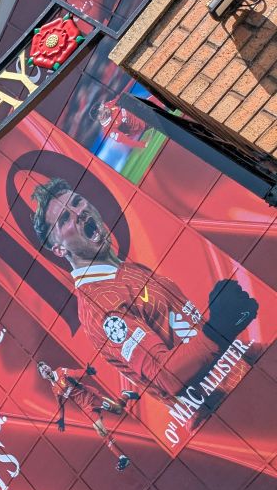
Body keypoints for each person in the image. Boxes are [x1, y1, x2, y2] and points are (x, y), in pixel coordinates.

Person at [30, 177, 257, 426]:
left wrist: (253, 350)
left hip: (246, 381)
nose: (79, 212)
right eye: (64, 219)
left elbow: (193, 332)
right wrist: (220, 327)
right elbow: (166, 376)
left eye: (77, 201)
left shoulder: (124, 270)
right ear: (60, 250)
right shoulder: (101, 308)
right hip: (226, 416)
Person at [37, 361, 135, 471]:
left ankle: (125, 394)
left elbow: (75, 373)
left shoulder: (61, 371)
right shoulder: (54, 389)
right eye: (42, 371)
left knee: (118, 410)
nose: (45, 369)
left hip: (92, 396)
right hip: (86, 408)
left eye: (45, 366)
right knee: (101, 431)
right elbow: (60, 404)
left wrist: (86, 372)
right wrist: (61, 418)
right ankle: (122, 457)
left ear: (49, 366)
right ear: (43, 376)